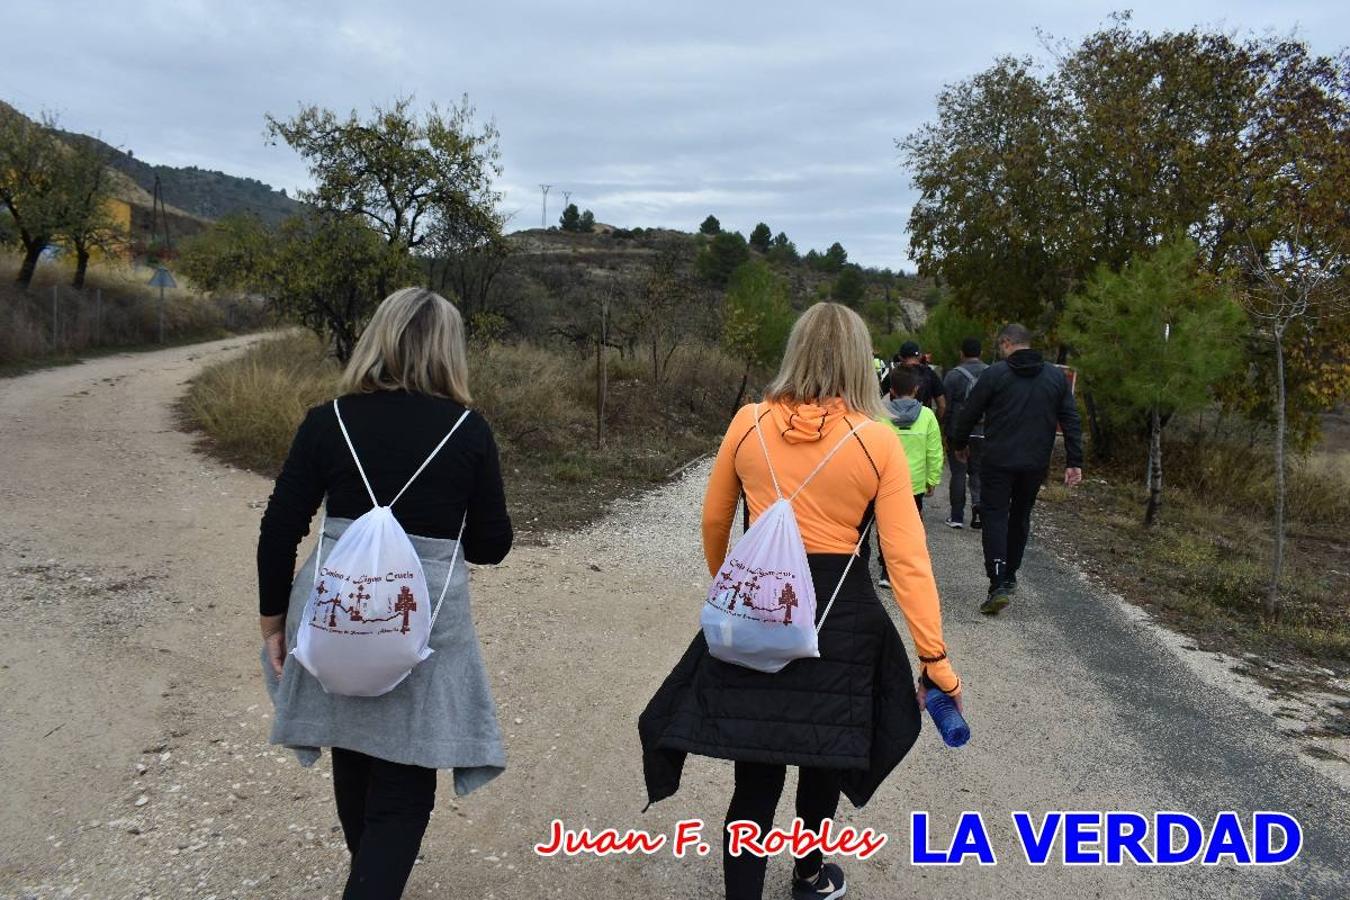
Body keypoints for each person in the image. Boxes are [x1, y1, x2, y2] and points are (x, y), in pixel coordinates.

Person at [640, 303, 963, 900]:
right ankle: (809, 875)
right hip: (838, 615)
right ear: (861, 362)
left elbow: (715, 521)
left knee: (756, 763)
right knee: (823, 756)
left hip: (761, 605)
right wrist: (934, 657)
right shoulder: (878, 442)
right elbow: (908, 560)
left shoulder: (748, 422)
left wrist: (730, 589)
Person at [256, 287, 513, 900]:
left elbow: (279, 528)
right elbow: (488, 545)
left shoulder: (329, 421)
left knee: (355, 744)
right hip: (422, 628)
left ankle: (369, 875)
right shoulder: (468, 431)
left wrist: (272, 625)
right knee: (403, 785)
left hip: (336, 615)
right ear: (448, 351)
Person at [949, 323, 1082, 616]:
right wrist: (1074, 461)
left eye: (1001, 346)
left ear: (1007, 343)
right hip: (1035, 462)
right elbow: (1070, 418)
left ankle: (997, 582)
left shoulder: (995, 374)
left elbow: (970, 411)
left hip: (998, 459)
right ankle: (1009, 575)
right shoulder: (1054, 377)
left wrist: (959, 442)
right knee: (1021, 515)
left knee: (995, 515)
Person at [877, 366, 943, 590]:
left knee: (885, 526)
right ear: (916, 389)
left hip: (884, 482)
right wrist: (932, 479)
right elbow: (934, 451)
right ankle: (906, 569)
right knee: (910, 527)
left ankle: (886, 570)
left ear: (892, 390)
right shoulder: (927, 416)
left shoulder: (880, 416)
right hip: (913, 484)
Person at [942, 337, 990, 530]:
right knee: (978, 472)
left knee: (959, 473)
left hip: (958, 432)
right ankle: (978, 507)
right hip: (984, 432)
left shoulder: (953, 376)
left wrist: (946, 429)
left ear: (961, 353)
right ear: (981, 353)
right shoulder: (992, 373)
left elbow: (946, 406)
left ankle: (956, 517)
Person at [883, 340, 946, 420]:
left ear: (900, 357)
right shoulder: (930, 374)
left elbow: (879, 401)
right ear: (919, 356)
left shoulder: (893, 375)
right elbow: (942, 405)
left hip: (896, 423)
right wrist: (934, 422)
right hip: (923, 424)